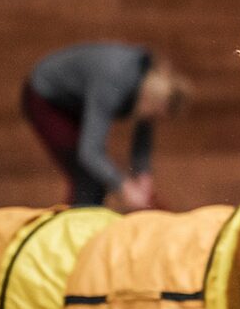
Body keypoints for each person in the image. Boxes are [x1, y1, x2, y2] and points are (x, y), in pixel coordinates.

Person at [21, 43, 189, 209]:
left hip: (76, 100)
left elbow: (143, 134)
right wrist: (124, 187)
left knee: (94, 180)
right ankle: (73, 230)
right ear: (150, 100)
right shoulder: (113, 82)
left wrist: (144, 178)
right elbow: (90, 152)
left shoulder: (147, 79)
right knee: (88, 178)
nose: (153, 120)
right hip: (45, 97)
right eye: (154, 115)